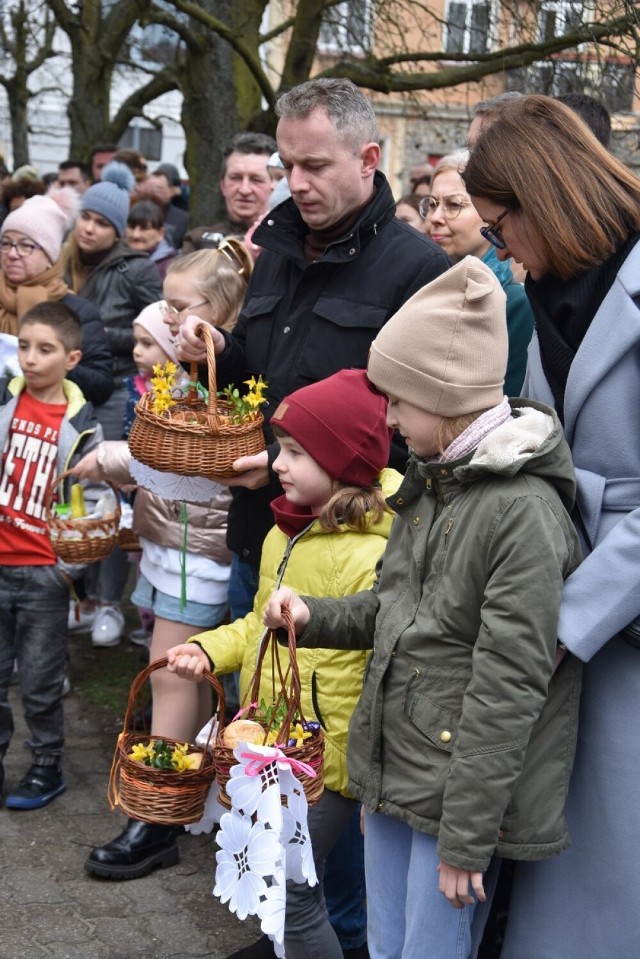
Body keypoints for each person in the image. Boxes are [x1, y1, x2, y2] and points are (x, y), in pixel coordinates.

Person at [264, 257, 583, 959]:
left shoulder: (522, 513)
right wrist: (315, 615)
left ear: (447, 396)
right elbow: (396, 609)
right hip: (397, 771)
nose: (390, 418)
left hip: (454, 801)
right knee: (389, 946)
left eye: (400, 401)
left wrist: (469, 835)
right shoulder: (434, 483)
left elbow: (510, 684)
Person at [464, 92, 640, 959]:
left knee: (612, 863)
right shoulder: (555, 289)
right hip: (568, 593)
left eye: (501, 227)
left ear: (545, 198)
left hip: (616, 615)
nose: (500, 250)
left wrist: (569, 620)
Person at [167, 368, 401, 959]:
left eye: (296, 452)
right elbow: (256, 624)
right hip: (276, 741)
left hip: (327, 755)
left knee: (289, 887)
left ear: (344, 463)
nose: (277, 462)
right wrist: (207, 649)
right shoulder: (286, 531)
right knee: (288, 885)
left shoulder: (377, 548)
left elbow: (380, 648)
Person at [74, 298, 239, 879]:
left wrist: (110, 457)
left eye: (179, 309)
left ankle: (158, 817)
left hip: (196, 560)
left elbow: (177, 464)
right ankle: (183, 798)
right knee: (187, 677)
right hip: (177, 554)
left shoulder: (211, 393)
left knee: (172, 674)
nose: (169, 322)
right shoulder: (182, 382)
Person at [0, 301, 102, 810]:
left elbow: (100, 503)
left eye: (45, 349)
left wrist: (68, 569)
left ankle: (45, 767)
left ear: (72, 358)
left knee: (40, 680)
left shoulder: (81, 422)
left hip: (44, 572)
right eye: (23, 346)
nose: (30, 358)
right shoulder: (4, 403)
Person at [62, 161, 163, 647]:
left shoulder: (135, 268)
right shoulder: (68, 262)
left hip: (117, 388)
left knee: (107, 497)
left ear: (117, 230)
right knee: (68, 490)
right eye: (87, 217)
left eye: (102, 222)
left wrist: (100, 337)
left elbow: (157, 325)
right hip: (72, 386)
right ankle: (75, 597)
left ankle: (107, 604)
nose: (90, 227)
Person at [422, 149, 534, 395]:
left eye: (453, 205)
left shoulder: (513, 302)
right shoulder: (420, 284)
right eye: (431, 204)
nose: (435, 218)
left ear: (488, 213)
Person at [0, 186, 113, 407]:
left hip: (46, 428)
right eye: (6, 243)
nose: (12, 254)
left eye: (26, 246)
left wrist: (56, 364)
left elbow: (101, 385)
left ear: (50, 256)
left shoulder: (75, 311)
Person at [181, 131, 276, 252]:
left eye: (256, 180)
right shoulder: (198, 240)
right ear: (222, 184)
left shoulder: (288, 246)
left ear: (276, 186)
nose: (244, 190)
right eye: (235, 178)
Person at [134, 169, 189, 249]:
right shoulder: (134, 212)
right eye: (151, 189)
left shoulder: (183, 219)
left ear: (171, 191)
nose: (154, 193)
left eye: (159, 189)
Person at [125, 199, 177, 280]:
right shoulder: (113, 260)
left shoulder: (169, 269)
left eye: (144, 228)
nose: (136, 235)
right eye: (131, 227)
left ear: (160, 233)